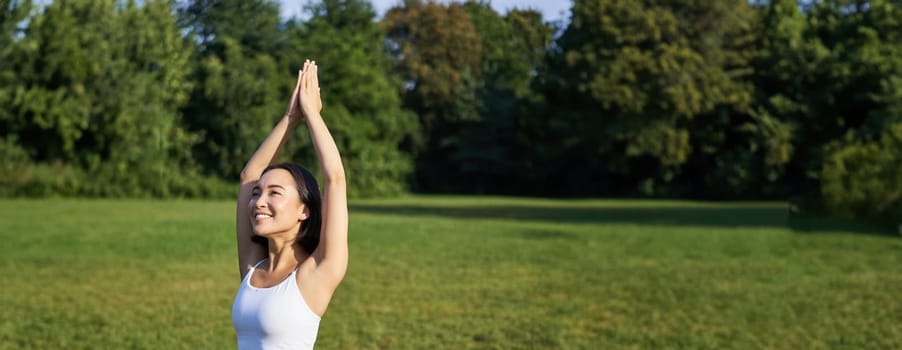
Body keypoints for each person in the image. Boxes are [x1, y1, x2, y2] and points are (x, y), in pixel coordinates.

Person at [231, 60, 348, 350]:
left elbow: (334, 179)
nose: (259, 201)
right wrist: (289, 118)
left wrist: (312, 115)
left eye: (275, 193)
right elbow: (249, 176)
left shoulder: (317, 272)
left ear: (304, 210)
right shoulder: (252, 268)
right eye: (258, 193)